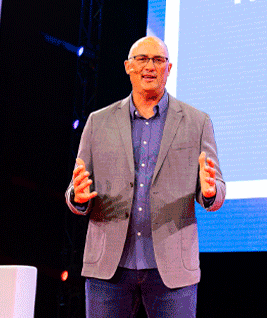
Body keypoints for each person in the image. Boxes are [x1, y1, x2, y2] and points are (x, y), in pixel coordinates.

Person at [66, 35, 224, 318]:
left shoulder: (197, 122)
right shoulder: (98, 122)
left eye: (158, 60)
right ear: (128, 66)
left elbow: (216, 188)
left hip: (172, 271)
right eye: (142, 59)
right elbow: (77, 189)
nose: (149, 66)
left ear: (169, 68)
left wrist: (210, 191)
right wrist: (77, 198)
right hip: (108, 269)